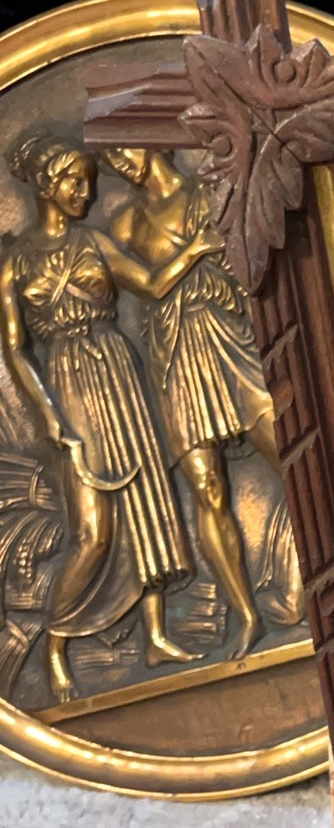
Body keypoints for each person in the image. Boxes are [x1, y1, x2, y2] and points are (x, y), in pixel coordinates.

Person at [0, 134, 207, 702]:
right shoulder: (15, 263)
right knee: (92, 531)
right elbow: (15, 350)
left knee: (145, 501)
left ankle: (156, 636)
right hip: (68, 381)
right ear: (47, 183)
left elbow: (152, 283)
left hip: (117, 370)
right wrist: (49, 416)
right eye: (75, 182)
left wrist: (197, 248)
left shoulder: (93, 242)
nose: (86, 194)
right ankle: (55, 646)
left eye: (89, 183)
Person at [100, 147, 280, 660]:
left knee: (282, 446)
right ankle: (247, 616)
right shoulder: (126, 224)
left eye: (123, 147)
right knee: (206, 486)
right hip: (174, 351)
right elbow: (140, 287)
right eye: (109, 156)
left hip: (225, 333)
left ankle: (327, 563)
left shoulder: (205, 191)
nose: (119, 160)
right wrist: (199, 249)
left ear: (149, 140)